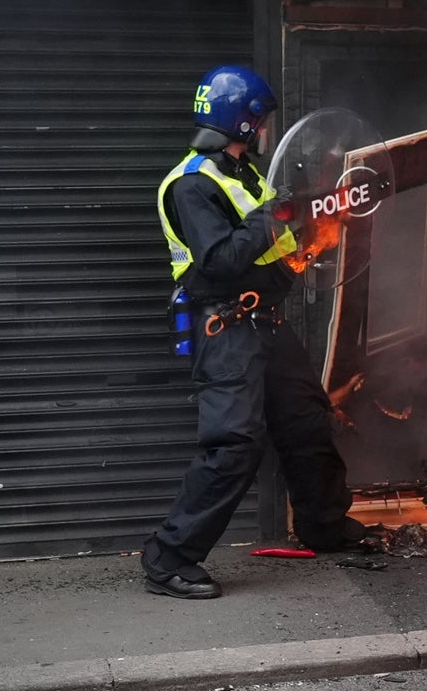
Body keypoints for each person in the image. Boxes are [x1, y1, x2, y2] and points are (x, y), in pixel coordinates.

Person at [146, 64, 369, 600]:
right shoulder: (192, 184)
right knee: (234, 444)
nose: (266, 130)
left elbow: (277, 246)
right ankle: (169, 559)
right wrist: (275, 217)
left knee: (307, 423)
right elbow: (221, 259)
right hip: (226, 327)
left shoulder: (247, 177)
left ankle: (325, 527)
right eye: (261, 120)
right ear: (241, 121)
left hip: (268, 321)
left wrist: (315, 231)